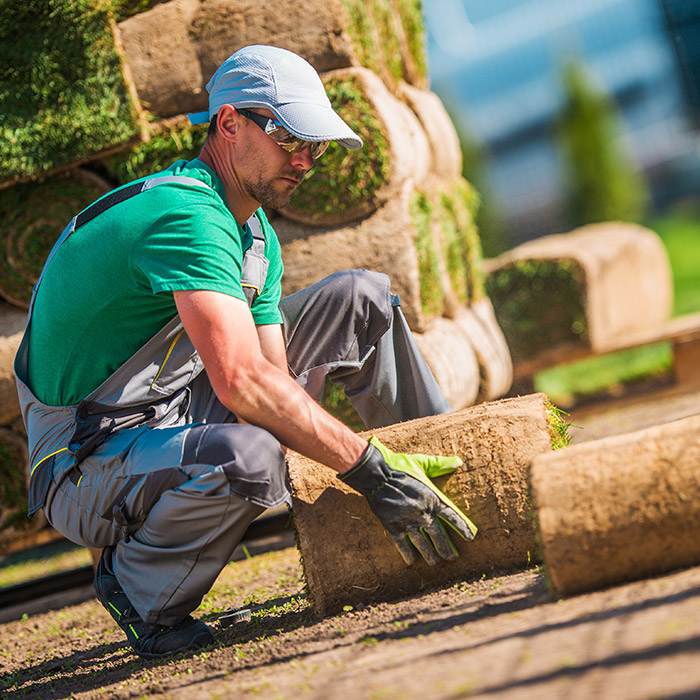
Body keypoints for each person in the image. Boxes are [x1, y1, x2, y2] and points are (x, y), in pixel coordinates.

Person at [15, 45, 476, 659]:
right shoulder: (184, 215)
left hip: (169, 413)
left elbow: (273, 378)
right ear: (229, 124)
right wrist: (365, 468)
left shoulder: (252, 231)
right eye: (290, 138)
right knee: (249, 456)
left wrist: (352, 461)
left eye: (316, 145)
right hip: (87, 461)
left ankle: (447, 489)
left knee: (362, 297)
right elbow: (240, 385)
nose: (306, 159)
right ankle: (137, 589)